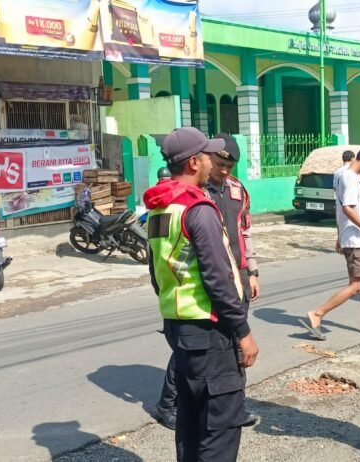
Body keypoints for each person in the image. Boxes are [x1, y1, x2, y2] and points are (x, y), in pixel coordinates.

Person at [143, 127, 259, 462]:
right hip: (210, 331)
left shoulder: (160, 208)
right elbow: (218, 278)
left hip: (180, 327)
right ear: (194, 162)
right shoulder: (198, 209)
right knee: (219, 431)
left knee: (191, 424)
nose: (213, 161)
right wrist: (243, 331)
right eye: (208, 155)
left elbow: (155, 272)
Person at [299, 144, 360, 340]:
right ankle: (317, 313)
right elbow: (348, 208)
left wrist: (339, 235)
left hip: (352, 237)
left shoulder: (344, 174)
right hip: (354, 238)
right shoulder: (349, 178)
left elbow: (340, 207)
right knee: (356, 285)